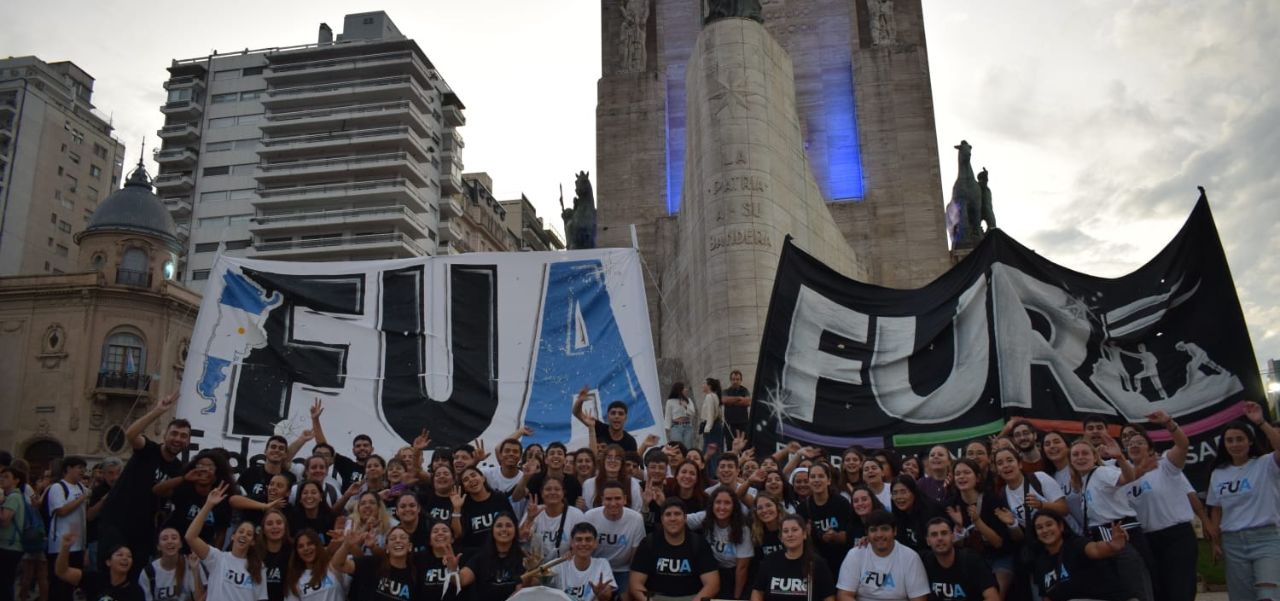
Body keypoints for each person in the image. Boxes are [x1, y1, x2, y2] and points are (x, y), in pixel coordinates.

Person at [99, 391, 190, 577]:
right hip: (117, 522)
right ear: (165, 435)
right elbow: (131, 434)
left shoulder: (179, 470)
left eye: (183, 436)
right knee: (109, 578)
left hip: (144, 532)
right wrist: (158, 410)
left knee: (135, 580)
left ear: (187, 442)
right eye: (174, 433)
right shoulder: (148, 450)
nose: (178, 439)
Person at [1124, 411, 1202, 601]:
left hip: (1176, 536)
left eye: (1140, 442)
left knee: (1180, 590)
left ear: (1150, 449)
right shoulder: (1123, 476)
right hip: (1147, 540)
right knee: (1158, 591)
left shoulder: (1166, 465)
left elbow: (1183, 445)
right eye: (1130, 444)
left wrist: (1169, 423)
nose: (1134, 445)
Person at [1208, 401, 1280, 601]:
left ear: (1250, 442)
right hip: (1233, 542)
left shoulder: (1265, 464)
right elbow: (1216, 509)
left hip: (1266, 539)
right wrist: (1215, 542)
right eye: (1229, 440)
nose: (1235, 444)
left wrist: (1261, 422)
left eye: (1240, 439)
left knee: (1269, 595)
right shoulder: (1218, 473)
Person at [1066, 437, 1155, 601]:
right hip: (1104, 535)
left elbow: (1127, 478)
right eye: (1075, 454)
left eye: (1085, 453)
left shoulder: (1101, 472)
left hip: (1120, 532)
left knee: (1135, 585)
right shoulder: (1084, 482)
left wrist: (1120, 458)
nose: (1080, 457)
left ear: (1094, 456)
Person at [1026, 509, 1135, 601]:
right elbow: (1047, 597)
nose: (1045, 530)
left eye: (1049, 525)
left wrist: (1112, 546)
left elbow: (1096, 549)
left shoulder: (1076, 545)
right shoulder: (1040, 563)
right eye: (1039, 528)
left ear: (1061, 526)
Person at [185, 483, 269, 601]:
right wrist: (208, 505)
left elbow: (261, 598)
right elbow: (191, 537)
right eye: (241, 531)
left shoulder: (258, 566)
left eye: (249, 534)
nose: (244, 535)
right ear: (233, 536)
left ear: (253, 542)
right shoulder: (217, 558)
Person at [942, 458, 1011, 597]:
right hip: (968, 560)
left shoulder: (992, 500)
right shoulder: (950, 505)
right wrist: (960, 528)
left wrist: (978, 522)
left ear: (978, 478)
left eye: (967, 472)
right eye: (958, 474)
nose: (962, 477)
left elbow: (999, 543)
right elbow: (953, 546)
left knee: (996, 594)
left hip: (998, 557)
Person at [630, 498, 719, 601]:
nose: (673, 518)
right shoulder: (649, 543)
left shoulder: (699, 543)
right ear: (662, 519)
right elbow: (635, 584)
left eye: (677, 514)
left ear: (685, 518)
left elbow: (712, 584)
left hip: (692, 598)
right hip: (656, 598)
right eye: (668, 514)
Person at [834, 510, 929, 601]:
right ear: (867, 533)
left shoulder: (910, 557)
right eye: (873, 530)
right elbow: (844, 595)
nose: (879, 534)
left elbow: (919, 598)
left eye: (884, 529)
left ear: (894, 531)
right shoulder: (855, 554)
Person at [687, 486, 753, 599]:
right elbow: (680, 519)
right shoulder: (706, 517)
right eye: (718, 502)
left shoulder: (743, 529)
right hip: (709, 571)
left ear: (734, 506)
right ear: (712, 505)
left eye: (727, 503)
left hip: (732, 574)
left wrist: (736, 598)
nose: (722, 507)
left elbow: (742, 568)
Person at [751, 514, 836, 601]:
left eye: (794, 530)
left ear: (804, 534)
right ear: (781, 538)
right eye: (785, 531)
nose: (790, 534)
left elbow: (829, 597)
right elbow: (757, 591)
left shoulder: (817, 563)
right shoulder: (770, 561)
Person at [584, 480, 647, 589]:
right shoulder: (590, 517)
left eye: (617, 498)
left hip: (623, 570)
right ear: (602, 500)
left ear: (625, 499)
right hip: (595, 567)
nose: (613, 503)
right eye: (608, 499)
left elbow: (635, 555)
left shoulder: (636, 519)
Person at [458, 513, 534, 599]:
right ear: (492, 531)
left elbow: (522, 591)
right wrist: (453, 569)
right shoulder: (481, 557)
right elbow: (462, 580)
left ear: (515, 531)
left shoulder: (523, 557)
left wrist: (530, 570)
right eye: (499, 526)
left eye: (508, 525)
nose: (504, 529)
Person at [330, 525, 415, 601]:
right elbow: (338, 564)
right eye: (392, 538)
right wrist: (346, 545)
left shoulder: (415, 576)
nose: (398, 541)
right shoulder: (372, 564)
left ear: (410, 547)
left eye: (403, 537)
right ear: (387, 548)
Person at [920, 517, 997, 601]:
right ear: (928, 541)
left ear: (952, 537)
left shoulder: (971, 560)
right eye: (934, 535)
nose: (940, 538)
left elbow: (993, 597)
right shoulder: (923, 561)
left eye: (944, 533)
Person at [45, 456, 89, 601]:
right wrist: (82, 498)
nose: (82, 471)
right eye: (79, 468)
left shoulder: (81, 487)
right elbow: (61, 511)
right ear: (68, 468)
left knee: (72, 587)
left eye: (84, 468)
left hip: (78, 546)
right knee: (59, 586)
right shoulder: (58, 488)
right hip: (60, 546)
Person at [54, 531, 145, 601]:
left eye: (129, 556)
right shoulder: (95, 579)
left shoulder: (135, 591)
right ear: (108, 562)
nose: (125, 558)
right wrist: (65, 547)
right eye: (120, 555)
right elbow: (62, 572)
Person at [796, 463, 851, 573]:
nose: (816, 480)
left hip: (841, 561)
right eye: (812, 477)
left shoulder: (842, 503)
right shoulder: (802, 508)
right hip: (816, 564)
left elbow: (851, 535)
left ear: (829, 480)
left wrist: (836, 536)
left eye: (821, 476)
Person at [520, 475, 586, 563]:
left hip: (565, 564)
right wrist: (529, 519)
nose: (552, 492)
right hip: (536, 567)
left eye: (557, 489)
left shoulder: (576, 515)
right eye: (548, 489)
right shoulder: (534, 511)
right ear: (542, 493)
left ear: (563, 493)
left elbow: (584, 542)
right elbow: (520, 538)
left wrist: (573, 552)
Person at [547, 522, 617, 601]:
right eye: (579, 539)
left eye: (588, 539)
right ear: (572, 543)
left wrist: (601, 594)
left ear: (595, 543)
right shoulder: (559, 564)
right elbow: (534, 584)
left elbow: (607, 597)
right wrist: (534, 567)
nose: (583, 543)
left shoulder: (602, 563)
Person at [453, 466, 514, 551]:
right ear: (465, 488)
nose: (471, 480)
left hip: (502, 551)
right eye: (466, 480)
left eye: (473, 475)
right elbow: (458, 534)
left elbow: (513, 524)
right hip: (475, 554)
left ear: (483, 478)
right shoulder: (463, 505)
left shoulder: (500, 498)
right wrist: (456, 509)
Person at [282, 528, 348, 601]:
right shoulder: (294, 580)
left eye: (310, 544)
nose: (306, 548)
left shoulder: (333, 566)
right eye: (301, 546)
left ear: (317, 545)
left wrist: (346, 542)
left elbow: (360, 564)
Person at [574, 386, 639, 452]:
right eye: (613, 413)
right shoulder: (599, 427)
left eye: (620, 414)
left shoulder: (630, 442)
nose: (617, 416)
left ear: (626, 418)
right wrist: (580, 400)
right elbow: (577, 413)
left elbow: (633, 461)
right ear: (608, 416)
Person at [887, 476, 941, 552]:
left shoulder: (932, 512)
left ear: (914, 493)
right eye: (895, 493)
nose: (899, 497)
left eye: (903, 492)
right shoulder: (895, 516)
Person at [415, 520, 466, 601]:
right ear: (430, 541)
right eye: (435, 531)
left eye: (445, 531)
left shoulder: (462, 557)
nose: (440, 533)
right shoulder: (418, 560)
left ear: (452, 539)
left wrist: (454, 570)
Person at [584, 445, 644, 511]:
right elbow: (588, 510)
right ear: (603, 461)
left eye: (617, 458)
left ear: (622, 463)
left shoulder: (632, 483)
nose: (613, 460)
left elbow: (636, 510)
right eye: (609, 457)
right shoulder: (589, 484)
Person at [1, 465, 27, 601]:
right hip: (10, 545)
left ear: (16, 480)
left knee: (5, 582)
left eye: (6, 477)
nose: (2, 479)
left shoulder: (13, 497)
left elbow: (5, 519)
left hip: (9, 545)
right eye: (1, 476)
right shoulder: (12, 496)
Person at [261, 509, 291, 601]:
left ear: (285, 527)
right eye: (269, 524)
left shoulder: (295, 550)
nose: (275, 527)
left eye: (279, 523)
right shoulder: (253, 553)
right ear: (263, 529)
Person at [666, 382, 698, 450]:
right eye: (684, 388)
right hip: (676, 427)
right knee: (677, 448)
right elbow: (668, 416)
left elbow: (693, 413)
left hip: (688, 427)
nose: (686, 389)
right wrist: (668, 429)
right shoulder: (670, 401)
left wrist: (686, 406)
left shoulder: (688, 400)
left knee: (688, 448)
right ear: (679, 389)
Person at [721, 370, 752, 438]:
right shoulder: (726, 391)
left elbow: (748, 402)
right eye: (733, 379)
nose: (735, 381)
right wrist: (739, 398)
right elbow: (724, 400)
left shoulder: (745, 390)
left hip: (743, 424)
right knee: (730, 446)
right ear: (730, 380)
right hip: (730, 425)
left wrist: (731, 402)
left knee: (744, 446)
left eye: (737, 379)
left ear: (741, 380)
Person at [699, 378, 724, 451]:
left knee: (710, 451)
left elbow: (710, 414)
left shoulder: (709, 396)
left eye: (704, 384)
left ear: (709, 386)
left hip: (711, 427)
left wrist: (707, 429)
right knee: (717, 450)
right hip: (716, 426)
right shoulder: (715, 396)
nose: (702, 386)